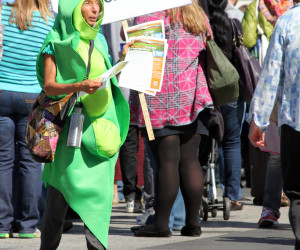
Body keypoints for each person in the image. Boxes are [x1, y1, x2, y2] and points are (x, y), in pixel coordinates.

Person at [36, 0, 130, 249]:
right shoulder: (55, 40)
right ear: (72, 7)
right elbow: (48, 85)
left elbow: (104, 80)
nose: (96, 9)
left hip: (100, 134)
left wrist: (122, 59)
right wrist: (79, 86)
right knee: (57, 202)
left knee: (98, 203)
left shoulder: (98, 39)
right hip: (68, 134)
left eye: (97, 3)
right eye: (87, 3)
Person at [130, 0, 214, 237]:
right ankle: (192, 223)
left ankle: (161, 224)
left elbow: (139, 56)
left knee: (166, 163)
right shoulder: (197, 14)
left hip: (161, 98)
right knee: (190, 161)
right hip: (194, 95)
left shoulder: (148, 14)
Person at [0, 0, 54, 239]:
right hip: (34, 96)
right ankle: (27, 225)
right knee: (31, 162)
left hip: (1, 92)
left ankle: (2, 224)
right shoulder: (49, 20)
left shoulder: (2, 12)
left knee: (3, 161)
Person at [248, 1, 300, 248]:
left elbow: (270, 74)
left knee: (298, 194)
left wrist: (258, 119)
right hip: (292, 121)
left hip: (295, 121)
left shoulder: (288, 21)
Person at [208, 0, 246, 211]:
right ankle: (232, 196)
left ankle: (208, 189)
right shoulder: (234, 23)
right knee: (231, 142)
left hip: (207, 91)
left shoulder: (201, 25)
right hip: (231, 89)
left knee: (206, 144)